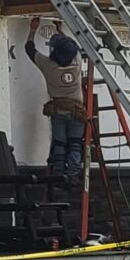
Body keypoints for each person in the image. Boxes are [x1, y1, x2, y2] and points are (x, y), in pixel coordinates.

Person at [27, 21, 86, 183]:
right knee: (75, 143)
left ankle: (59, 174)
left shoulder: (47, 65)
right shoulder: (77, 61)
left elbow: (29, 49)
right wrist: (61, 31)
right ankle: (73, 174)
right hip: (76, 110)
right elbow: (74, 47)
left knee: (59, 143)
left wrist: (32, 30)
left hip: (58, 109)